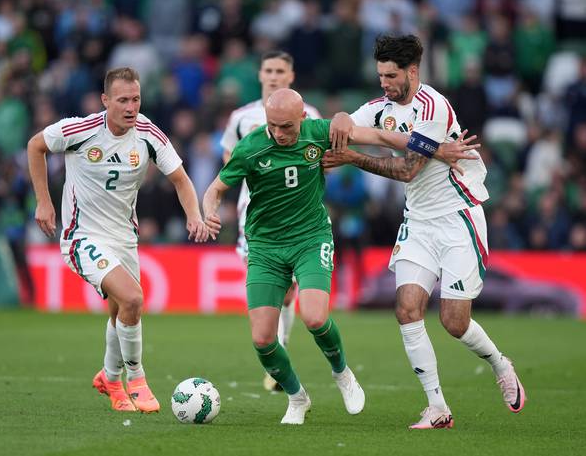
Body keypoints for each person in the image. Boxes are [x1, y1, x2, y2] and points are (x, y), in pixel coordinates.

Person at [203, 88, 476, 425]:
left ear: (303, 118)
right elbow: (215, 188)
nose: (278, 134)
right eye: (272, 126)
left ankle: (343, 373)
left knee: (315, 317)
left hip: (310, 238)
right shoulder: (251, 146)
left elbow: (378, 134)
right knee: (262, 339)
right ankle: (297, 397)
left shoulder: (319, 132)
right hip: (265, 246)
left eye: (286, 127)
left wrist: (435, 149)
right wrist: (209, 213)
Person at [323, 35, 526, 429]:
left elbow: (407, 170)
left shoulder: (432, 107)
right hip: (418, 222)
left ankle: (501, 364)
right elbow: (347, 122)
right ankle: (437, 408)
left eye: (390, 75)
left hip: (457, 219)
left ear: (412, 72)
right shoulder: (381, 107)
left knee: (454, 321)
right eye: (380, 74)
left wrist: (349, 156)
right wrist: (339, 121)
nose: (383, 82)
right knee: (407, 309)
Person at [27, 67, 209, 413]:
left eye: (136, 99)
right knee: (133, 298)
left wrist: (194, 216)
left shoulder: (148, 134)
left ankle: (109, 377)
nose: (130, 107)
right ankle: (136, 378)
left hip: (124, 238)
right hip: (82, 236)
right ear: (105, 100)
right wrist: (44, 201)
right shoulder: (81, 129)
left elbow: (182, 180)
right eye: (122, 100)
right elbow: (36, 146)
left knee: (120, 311)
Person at [220, 50, 322, 392]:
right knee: (275, 289)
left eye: (281, 70)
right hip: (256, 216)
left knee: (291, 292)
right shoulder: (241, 117)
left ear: (291, 76)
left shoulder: (311, 116)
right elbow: (229, 161)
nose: (274, 75)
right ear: (260, 74)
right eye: (269, 70)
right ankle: (277, 357)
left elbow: (323, 160)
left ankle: (280, 352)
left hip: (298, 218)